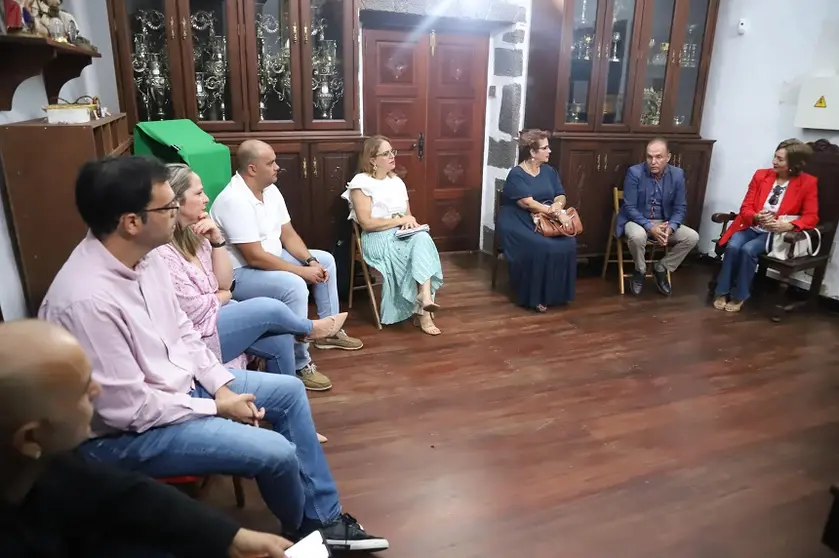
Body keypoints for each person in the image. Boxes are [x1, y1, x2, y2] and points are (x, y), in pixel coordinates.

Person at [38, 155, 388, 552]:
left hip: (178, 391)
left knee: (288, 392)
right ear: (131, 222)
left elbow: (184, 333)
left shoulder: (145, 256)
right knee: (275, 451)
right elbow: (129, 412)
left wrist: (220, 385)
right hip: (129, 433)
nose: (178, 214)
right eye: (169, 207)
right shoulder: (87, 300)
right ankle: (307, 532)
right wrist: (217, 408)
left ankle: (321, 521)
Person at [0, 319, 294, 558]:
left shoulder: (53, 461)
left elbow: (126, 494)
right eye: (81, 392)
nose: (98, 391)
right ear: (30, 438)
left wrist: (230, 537)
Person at [157, 163, 340, 392]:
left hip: (218, 311)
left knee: (280, 339)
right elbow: (197, 308)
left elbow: (223, 284)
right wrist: (224, 296)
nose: (206, 198)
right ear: (175, 200)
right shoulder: (162, 252)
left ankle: (284, 400)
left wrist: (217, 241)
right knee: (271, 306)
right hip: (197, 331)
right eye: (198, 193)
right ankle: (306, 329)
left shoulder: (198, 235)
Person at [210, 140, 362, 375]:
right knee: (293, 286)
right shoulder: (234, 200)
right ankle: (300, 362)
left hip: (270, 257)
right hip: (240, 273)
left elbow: (288, 234)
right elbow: (254, 257)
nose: (277, 167)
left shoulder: (270, 190)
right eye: (270, 163)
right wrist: (302, 272)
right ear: (252, 169)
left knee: (325, 260)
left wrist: (310, 261)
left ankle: (328, 332)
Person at [342, 135, 444, 335]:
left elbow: (408, 215)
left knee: (422, 238)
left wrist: (411, 224)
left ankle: (424, 297)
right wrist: (400, 222)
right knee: (413, 251)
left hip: (401, 234)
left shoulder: (396, 181)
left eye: (392, 152)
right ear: (372, 159)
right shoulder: (360, 182)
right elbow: (367, 223)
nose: (392, 156)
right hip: (376, 237)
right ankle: (423, 312)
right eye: (386, 153)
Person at [712, 139, 818, 312]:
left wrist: (789, 225)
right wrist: (755, 216)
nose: (774, 162)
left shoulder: (807, 183)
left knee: (748, 250)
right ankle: (722, 291)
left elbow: (811, 217)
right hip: (750, 226)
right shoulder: (761, 175)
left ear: (793, 163)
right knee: (733, 246)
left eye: (780, 159)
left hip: (773, 235)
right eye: (775, 157)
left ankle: (740, 296)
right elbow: (745, 207)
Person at [497, 129, 577, 312]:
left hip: (545, 218)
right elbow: (528, 203)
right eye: (545, 148)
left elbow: (560, 195)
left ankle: (557, 295)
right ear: (532, 152)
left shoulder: (549, 171)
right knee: (542, 246)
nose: (549, 151)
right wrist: (555, 213)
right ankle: (535, 297)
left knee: (569, 242)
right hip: (517, 220)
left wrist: (557, 206)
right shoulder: (516, 174)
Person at [616, 138, 700, 296]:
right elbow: (629, 207)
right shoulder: (635, 172)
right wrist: (650, 227)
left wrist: (671, 227)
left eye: (658, 157)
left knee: (692, 237)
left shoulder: (677, 174)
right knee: (637, 236)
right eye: (649, 157)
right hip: (636, 220)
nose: (653, 161)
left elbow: (680, 207)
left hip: (664, 221)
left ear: (668, 157)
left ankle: (661, 268)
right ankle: (640, 270)